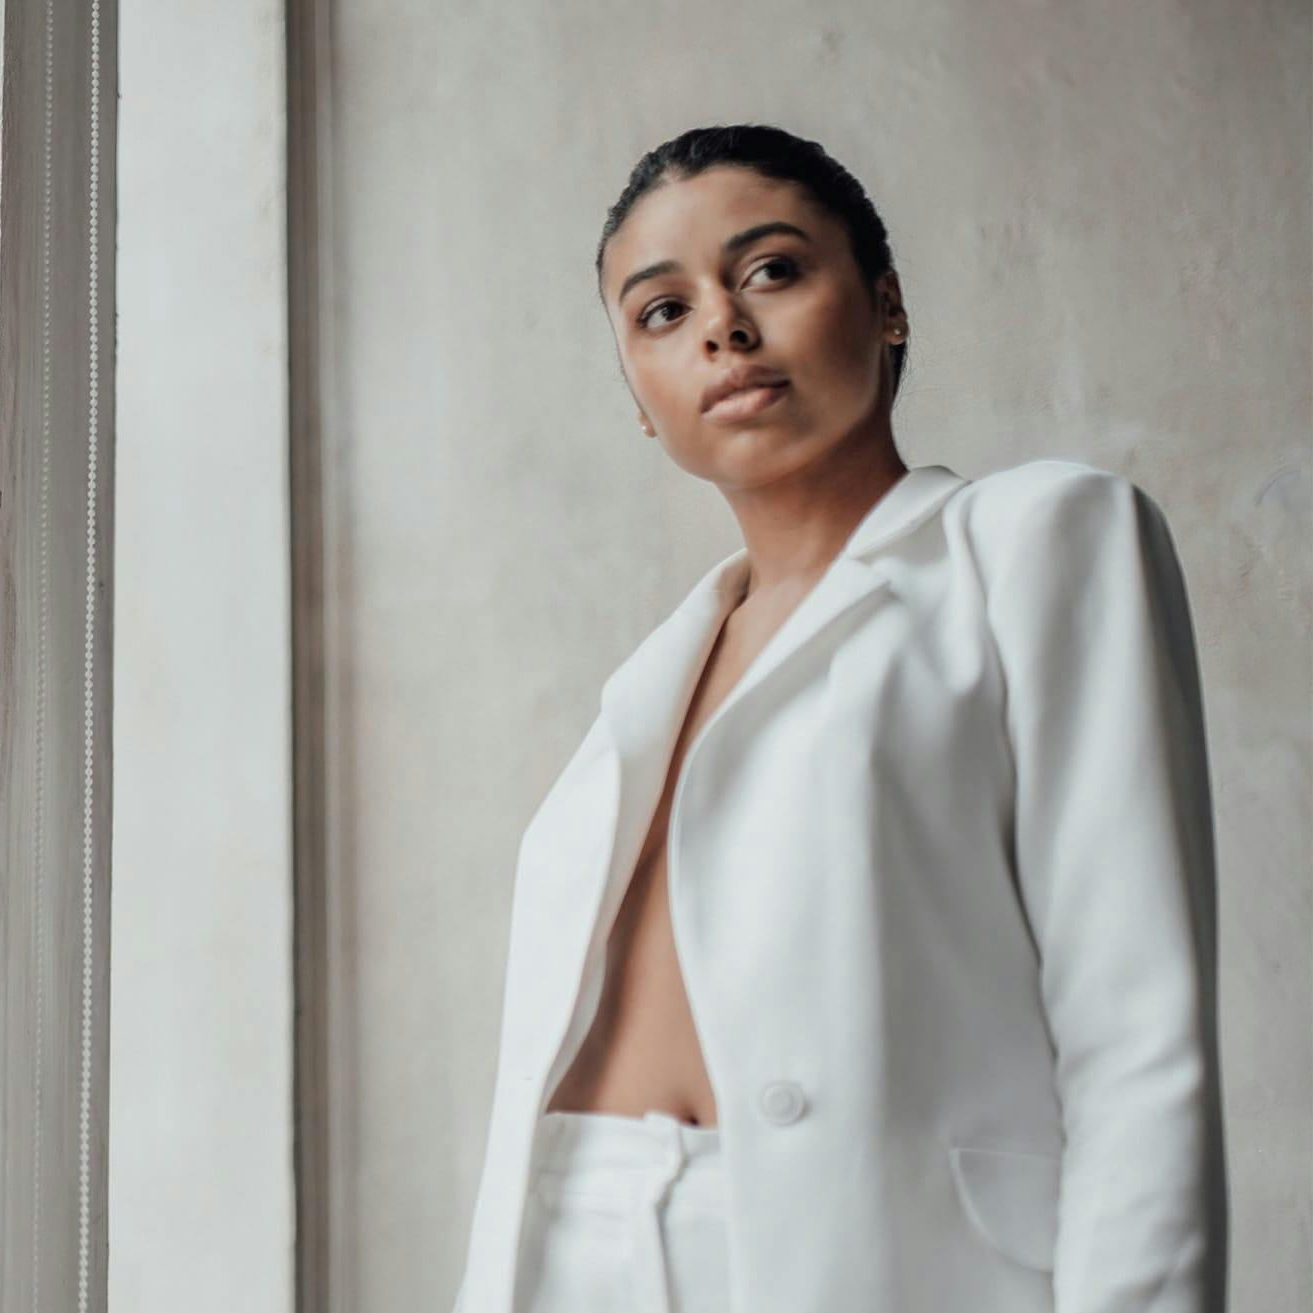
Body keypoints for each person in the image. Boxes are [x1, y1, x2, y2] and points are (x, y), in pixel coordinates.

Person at [451, 123, 1227, 1313]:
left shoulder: (1036, 544)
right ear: (641, 404)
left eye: (770, 270)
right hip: (575, 1246)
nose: (722, 325)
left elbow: (1138, 1045)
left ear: (886, 302)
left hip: (879, 1261)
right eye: (661, 312)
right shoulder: (644, 691)